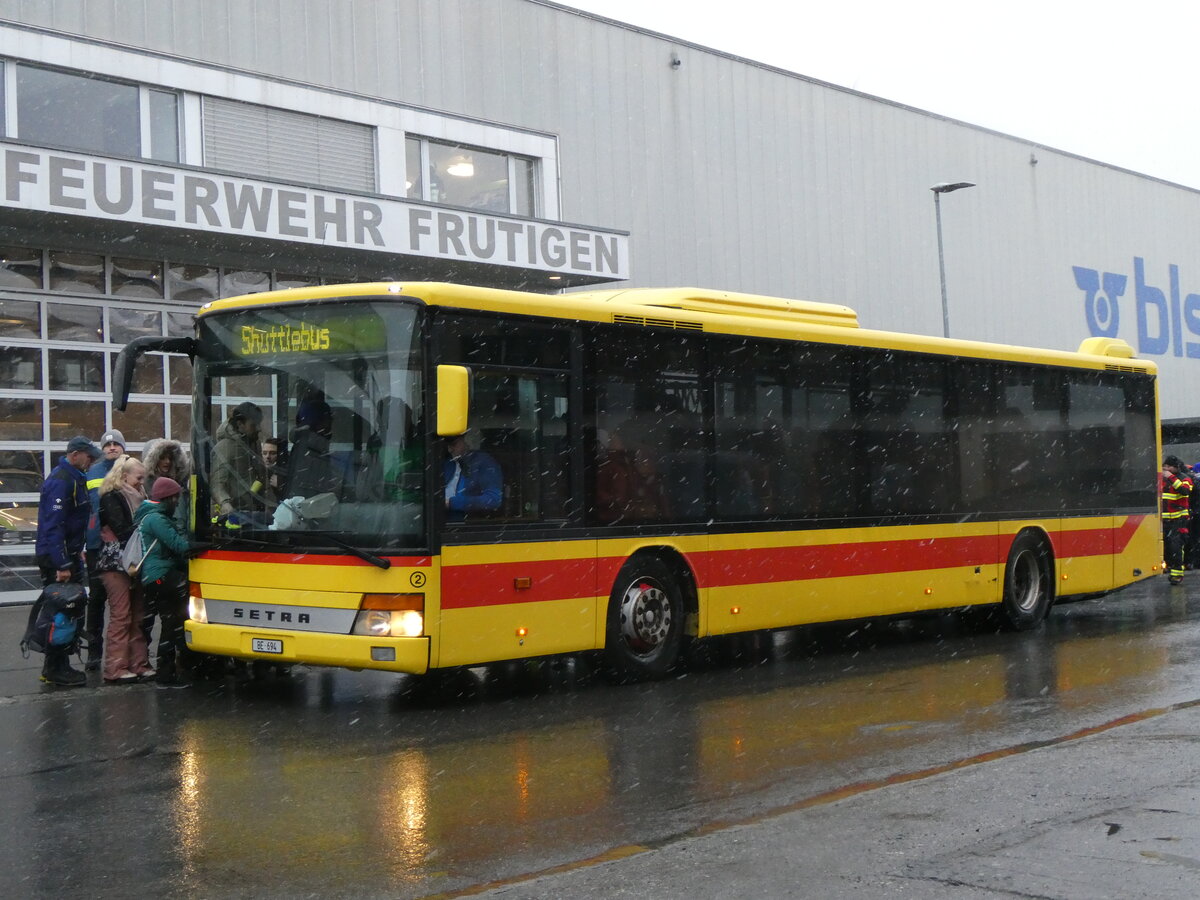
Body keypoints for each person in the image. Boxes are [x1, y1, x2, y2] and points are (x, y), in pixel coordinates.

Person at [34, 435, 102, 686]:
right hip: (57, 558)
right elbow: (53, 526)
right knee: (60, 612)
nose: (91, 460)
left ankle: (57, 665)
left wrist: (76, 550)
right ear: (75, 455)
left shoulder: (74, 477)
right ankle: (55, 668)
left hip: (68, 554)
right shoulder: (62, 481)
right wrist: (61, 564)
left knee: (69, 611)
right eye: (88, 456)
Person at [134, 477, 198, 685]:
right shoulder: (156, 519)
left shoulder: (154, 516)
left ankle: (168, 672)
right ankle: (168, 673)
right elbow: (178, 545)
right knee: (173, 623)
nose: (177, 502)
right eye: (175, 497)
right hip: (161, 577)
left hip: (156, 578)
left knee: (171, 622)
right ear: (168, 498)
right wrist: (201, 546)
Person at [96, 455, 152, 683]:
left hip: (135, 561)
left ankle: (138, 664)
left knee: (138, 615)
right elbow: (122, 530)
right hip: (115, 563)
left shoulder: (140, 497)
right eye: (139, 478)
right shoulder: (111, 497)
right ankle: (116, 668)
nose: (142, 483)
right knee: (121, 615)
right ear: (124, 475)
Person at [83, 428, 125, 670]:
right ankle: (94, 653)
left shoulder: (129, 469)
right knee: (97, 599)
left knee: (124, 603)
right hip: (96, 544)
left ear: (122, 448)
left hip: (122, 544)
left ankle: (120, 656)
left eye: (116, 444)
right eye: (107, 445)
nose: (111, 447)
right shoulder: (93, 472)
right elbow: (86, 508)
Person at [211, 401, 266, 518]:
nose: (259, 429)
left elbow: (260, 474)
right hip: (236, 514)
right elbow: (217, 483)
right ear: (240, 424)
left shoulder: (253, 444)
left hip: (254, 510)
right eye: (253, 425)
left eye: (259, 424)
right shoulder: (225, 447)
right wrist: (226, 505)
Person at [286, 394, 344, 500]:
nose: (331, 422)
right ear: (318, 421)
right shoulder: (314, 447)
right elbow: (319, 487)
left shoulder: (303, 443)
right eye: (329, 418)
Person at [443, 432, 502, 520]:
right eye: (448, 446)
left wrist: (452, 503)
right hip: (440, 520)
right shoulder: (448, 463)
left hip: (467, 523)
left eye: (454, 444)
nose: (450, 450)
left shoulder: (484, 463)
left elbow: (493, 500)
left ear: (467, 441)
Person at [1161, 455, 1192, 586]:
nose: (1165, 469)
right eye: (1164, 466)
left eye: (1168, 467)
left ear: (1176, 467)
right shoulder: (1161, 479)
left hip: (1179, 519)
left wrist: (1171, 477)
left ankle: (1177, 574)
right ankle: (1168, 568)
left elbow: (1185, 491)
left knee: (1176, 546)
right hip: (1163, 520)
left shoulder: (1185, 478)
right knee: (1166, 546)